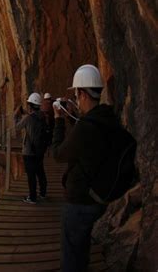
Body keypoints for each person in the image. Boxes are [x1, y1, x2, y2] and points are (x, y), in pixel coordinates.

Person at [51, 64, 120, 272]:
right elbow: (87, 141)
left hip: (80, 203)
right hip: (99, 196)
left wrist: (58, 121)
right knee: (83, 252)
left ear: (81, 93)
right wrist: (76, 118)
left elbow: (58, 154)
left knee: (73, 259)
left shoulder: (86, 127)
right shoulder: (108, 117)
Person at [15, 92, 48, 205]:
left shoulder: (28, 118)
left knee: (31, 175)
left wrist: (16, 115)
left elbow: (17, 127)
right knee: (40, 172)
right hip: (39, 150)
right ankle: (43, 194)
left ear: (30, 105)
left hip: (29, 152)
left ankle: (33, 197)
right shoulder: (43, 116)